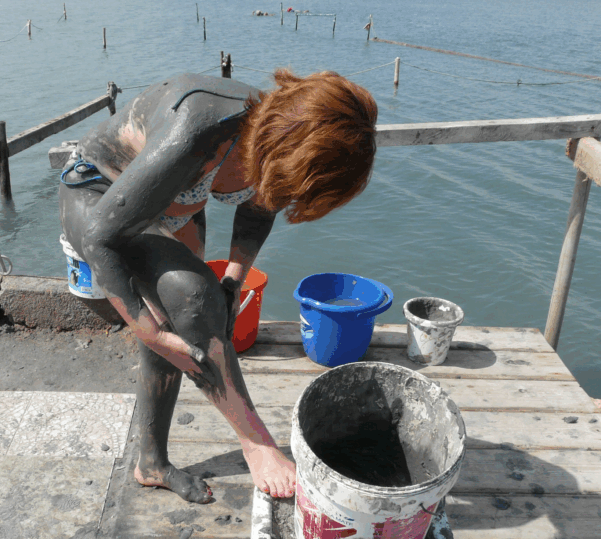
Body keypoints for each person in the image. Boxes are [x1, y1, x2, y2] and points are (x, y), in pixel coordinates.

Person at [59, 69, 377, 504]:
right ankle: (258, 444)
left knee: (195, 310)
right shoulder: (201, 131)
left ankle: (151, 462)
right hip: (99, 194)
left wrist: (233, 281)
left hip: (175, 201)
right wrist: (145, 329)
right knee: (191, 297)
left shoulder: (272, 137)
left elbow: (261, 203)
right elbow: (100, 237)